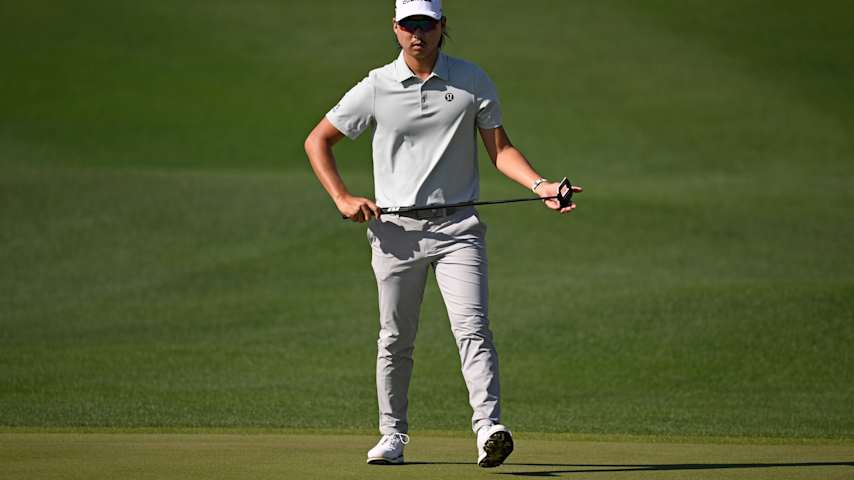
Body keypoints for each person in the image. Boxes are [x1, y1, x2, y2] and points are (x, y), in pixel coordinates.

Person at [304, 0, 582, 468]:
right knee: (395, 339)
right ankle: (393, 436)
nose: (418, 34)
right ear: (395, 29)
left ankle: (488, 428)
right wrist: (342, 198)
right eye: (409, 25)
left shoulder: (471, 80)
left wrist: (542, 186)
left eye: (427, 25)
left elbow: (500, 149)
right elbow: (318, 140)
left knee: (473, 327)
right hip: (394, 232)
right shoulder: (376, 86)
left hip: (458, 229)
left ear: (441, 27)